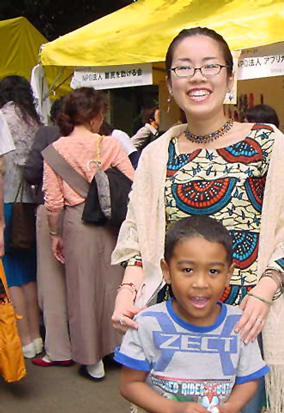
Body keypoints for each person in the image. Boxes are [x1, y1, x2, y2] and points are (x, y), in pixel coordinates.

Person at [111, 27, 284, 412]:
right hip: (176, 324)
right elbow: (139, 233)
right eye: (184, 68)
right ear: (170, 83)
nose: (198, 77)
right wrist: (127, 292)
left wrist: (264, 290)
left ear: (229, 76)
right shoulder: (157, 155)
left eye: (210, 66)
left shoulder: (265, 142)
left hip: (246, 322)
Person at [115, 216, 269, 413]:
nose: (200, 283)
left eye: (213, 271)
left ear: (229, 274)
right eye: (187, 270)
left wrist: (233, 406)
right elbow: (129, 385)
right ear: (167, 271)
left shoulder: (239, 324)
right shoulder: (147, 323)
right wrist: (173, 408)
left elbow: (248, 379)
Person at [42, 87, 134, 381]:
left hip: (76, 223)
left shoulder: (55, 151)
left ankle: (92, 359)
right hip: (109, 224)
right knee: (114, 287)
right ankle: (118, 347)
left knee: (81, 292)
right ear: (96, 116)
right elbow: (132, 183)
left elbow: (53, 202)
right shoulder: (109, 144)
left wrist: (55, 235)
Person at [23, 97, 73, 367]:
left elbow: (31, 172)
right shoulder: (102, 136)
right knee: (85, 283)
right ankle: (90, 345)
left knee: (52, 283)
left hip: (52, 212)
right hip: (87, 215)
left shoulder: (47, 134)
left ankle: (59, 350)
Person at [0, 75, 43, 359]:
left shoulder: (3, 117)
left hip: (8, 205)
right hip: (32, 204)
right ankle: (38, 336)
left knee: (12, 275)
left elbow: (1, 169)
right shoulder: (34, 121)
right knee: (30, 272)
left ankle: (24, 339)